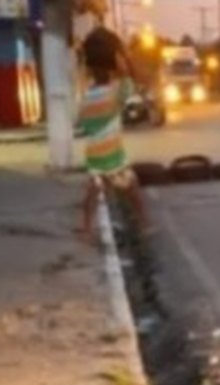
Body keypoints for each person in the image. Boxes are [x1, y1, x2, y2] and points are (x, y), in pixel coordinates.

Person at [77, 31, 147, 242]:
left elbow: (85, 124)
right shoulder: (116, 92)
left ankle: (87, 229)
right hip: (114, 156)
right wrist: (124, 56)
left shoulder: (88, 97)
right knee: (132, 190)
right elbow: (131, 79)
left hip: (95, 157)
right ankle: (144, 223)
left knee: (92, 194)